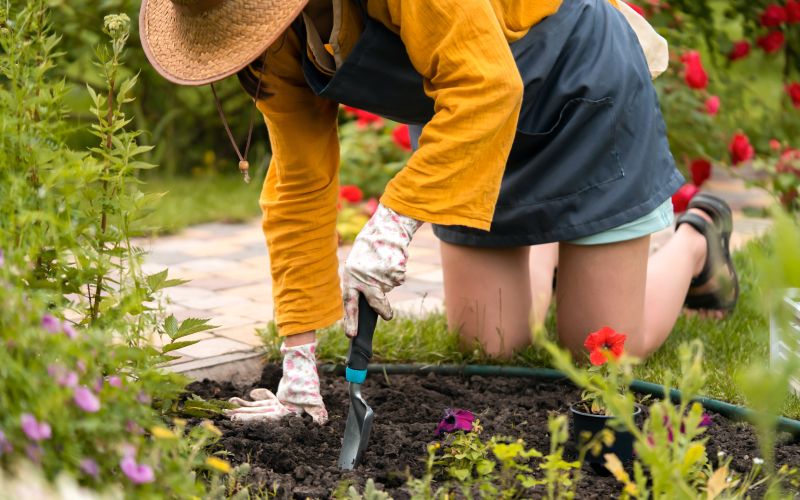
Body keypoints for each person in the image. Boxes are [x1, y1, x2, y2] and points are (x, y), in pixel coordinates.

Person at [138, 0, 738, 424]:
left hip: (576, 87)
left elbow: (489, 86)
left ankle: (694, 241)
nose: (248, 37)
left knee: (597, 352)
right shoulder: (278, 50)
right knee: (489, 342)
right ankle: (567, 245)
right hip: (469, 133)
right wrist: (298, 360)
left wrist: (396, 220)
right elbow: (297, 185)